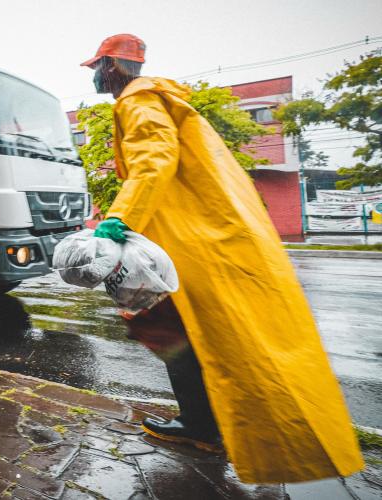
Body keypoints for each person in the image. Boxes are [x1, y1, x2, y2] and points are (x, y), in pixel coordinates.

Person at [83, 34, 364, 483]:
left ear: (112, 66)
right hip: (199, 238)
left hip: (190, 245)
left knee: (183, 332)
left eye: (97, 66)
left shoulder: (137, 102)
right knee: (178, 331)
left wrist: (121, 219)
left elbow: (154, 162)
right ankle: (202, 424)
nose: (96, 75)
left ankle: (208, 427)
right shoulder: (161, 100)